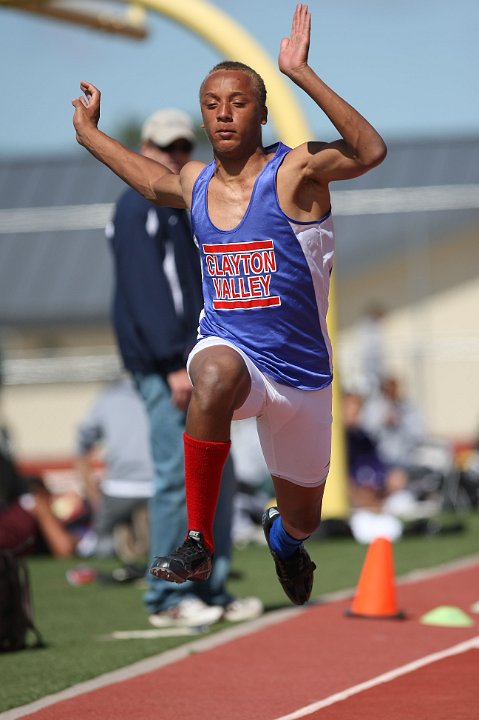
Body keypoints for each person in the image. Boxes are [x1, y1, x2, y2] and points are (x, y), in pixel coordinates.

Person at [72, 3, 387, 605]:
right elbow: (146, 179)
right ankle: (197, 540)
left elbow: (369, 151)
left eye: (238, 102)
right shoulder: (194, 183)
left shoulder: (294, 171)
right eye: (212, 103)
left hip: (301, 379)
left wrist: (302, 73)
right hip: (234, 353)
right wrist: (89, 134)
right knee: (210, 375)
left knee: (304, 519)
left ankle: (284, 541)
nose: (223, 113)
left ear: (262, 112)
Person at [104, 106, 262, 625]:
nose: (174, 156)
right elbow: (149, 293)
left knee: (214, 475)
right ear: (143, 150)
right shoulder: (137, 206)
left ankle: (209, 589)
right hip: (171, 367)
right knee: (177, 478)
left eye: (180, 147)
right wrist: (175, 364)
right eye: (163, 148)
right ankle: (166, 598)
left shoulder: (183, 205)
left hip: (194, 363)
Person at [74, 375, 153, 561]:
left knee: (96, 547)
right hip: (160, 486)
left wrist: (94, 497)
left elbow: (80, 447)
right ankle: (143, 534)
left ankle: (121, 538)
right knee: (171, 544)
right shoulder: (169, 389)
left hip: (118, 489)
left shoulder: (107, 398)